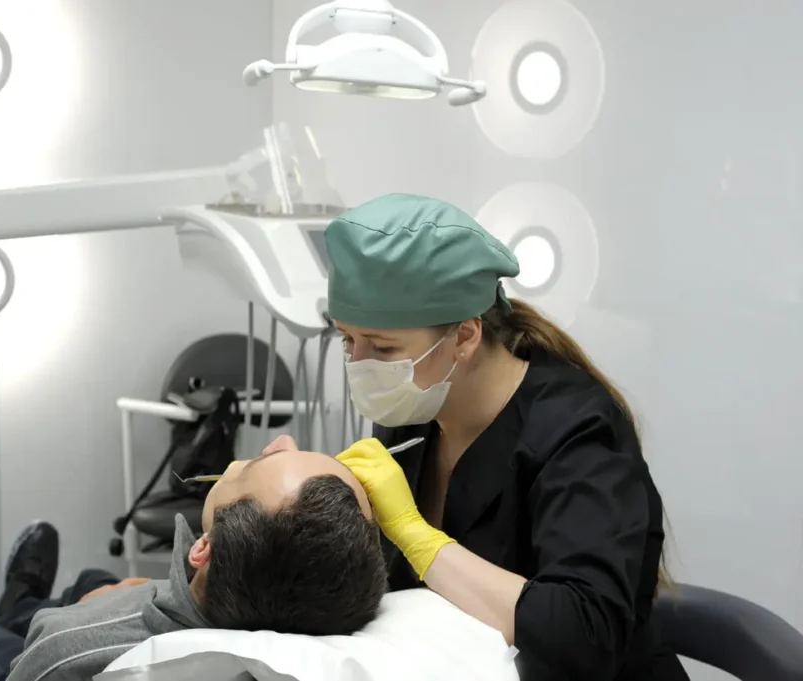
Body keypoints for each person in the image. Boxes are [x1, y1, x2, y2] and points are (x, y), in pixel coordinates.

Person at [271, 193, 689, 681]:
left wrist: (416, 536)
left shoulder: (578, 432)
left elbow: (584, 635)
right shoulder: (413, 409)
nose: (360, 365)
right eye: (348, 339)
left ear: (465, 337)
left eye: (383, 347)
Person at [0, 448, 387, 681]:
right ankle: (20, 601)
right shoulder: (313, 590)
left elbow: (40, 662)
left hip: (29, 656)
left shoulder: (75, 647)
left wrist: (68, 621)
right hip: (130, 602)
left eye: (247, 470)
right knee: (95, 580)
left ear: (202, 551)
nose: (266, 446)